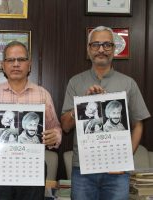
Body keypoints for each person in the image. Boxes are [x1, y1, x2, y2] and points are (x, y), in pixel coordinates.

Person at [61, 26, 150, 200]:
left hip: (116, 170)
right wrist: (82, 106)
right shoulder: (75, 82)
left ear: (114, 50)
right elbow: (65, 126)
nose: (101, 49)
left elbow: (138, 125)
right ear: (88, 49)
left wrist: (125, 158)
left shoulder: (128, 83)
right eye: (96, 44)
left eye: (107, 44)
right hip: (83, 169)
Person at [0, 41, 61, 200]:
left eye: (21, 59)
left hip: (33, 166)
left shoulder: (43, 95)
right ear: (3, 65)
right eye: (10, 60)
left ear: (29, 65)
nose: (16, 64)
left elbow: (56, 128)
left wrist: (55, 137)